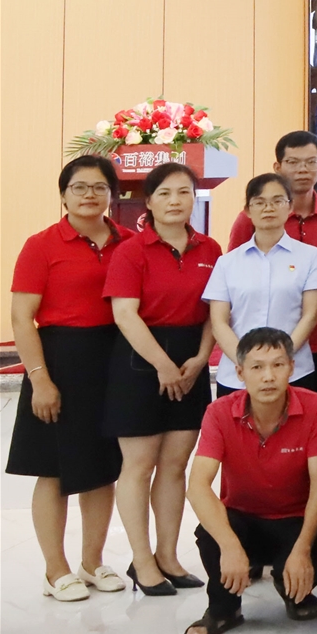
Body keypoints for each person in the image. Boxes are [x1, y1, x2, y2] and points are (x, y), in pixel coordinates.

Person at [9, 155, 132, 603]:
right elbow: (22, 318)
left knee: (103, 467)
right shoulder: (41, 245)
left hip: (112, 362)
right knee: (53, 468)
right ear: (63, 194)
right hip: (59, 361)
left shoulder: (129, 242)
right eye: (79, 187)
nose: (89, 195)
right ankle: (55, 570)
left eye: (99, 187)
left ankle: (92, 562)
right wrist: (40, 379)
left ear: (112, 195)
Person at [104, 161, 218, 596]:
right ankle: (142, 560)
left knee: (174, 466)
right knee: (138, 466)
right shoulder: (131, 250)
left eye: (184, 192)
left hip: (191, 362)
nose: (175, 201)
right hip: (140, 362)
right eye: (165, 193)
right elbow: (124, 314)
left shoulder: (210, 249)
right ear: (148, 202)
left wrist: (201, 358)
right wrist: (163, 366)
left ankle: (168, 556)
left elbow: (215, 311)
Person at [185, 327, 317, 634]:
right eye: (257, 367)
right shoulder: (219, 412)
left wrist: (302, 549)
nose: (268, 377)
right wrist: (229, 546)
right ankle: (223, 609)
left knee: (305, 566)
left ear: (291, 367)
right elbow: (197, 486)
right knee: (211, 534)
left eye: (278, 365)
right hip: (242, 518)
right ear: (240, 373)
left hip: (294, 519)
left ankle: (292, 587)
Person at [227, 132, 317, 409]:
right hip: (261, 348)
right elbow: (236, 272)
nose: (303, 169)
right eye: (293, 162)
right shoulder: (250, 219)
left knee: (313, 421)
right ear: (277, 166)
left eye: (310, 162)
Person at [206, 174, 317, 398]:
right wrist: (247, 362)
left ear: (290, 207)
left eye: (277, 201)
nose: (268, 208)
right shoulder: (227, 263)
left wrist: (280, 360)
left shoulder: (310, 257)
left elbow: (310, 316)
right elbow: (219, 322)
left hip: (294, 371)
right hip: (237, 374)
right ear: (247, 210)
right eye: (259, 202)